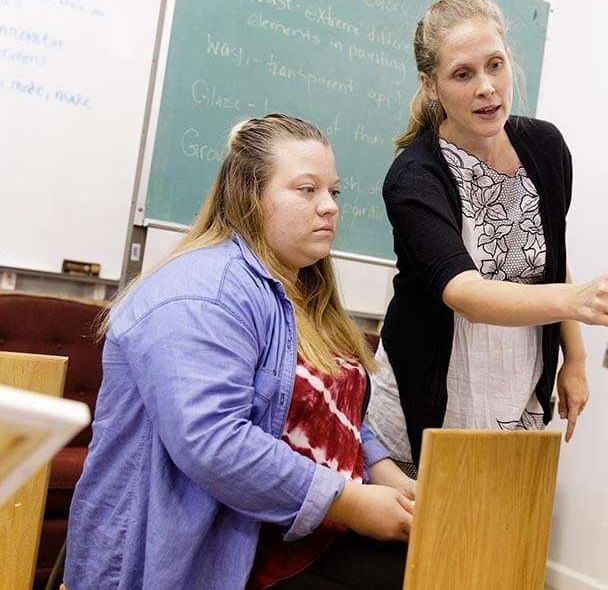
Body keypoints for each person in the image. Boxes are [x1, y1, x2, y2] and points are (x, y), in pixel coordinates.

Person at [64, 114, 415, 590]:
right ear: (251, 196)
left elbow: (332, 405)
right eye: (306, 190)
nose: (329, 207)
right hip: (203, 554)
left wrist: (385, 471)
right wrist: (350, 502)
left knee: (439, 563)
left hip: (286, 532)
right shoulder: (202, 294)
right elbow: (214, 441)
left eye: (334, 192)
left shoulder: (303, 289)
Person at [366, 0, 608, 474]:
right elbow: (464, 292)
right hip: (435, 393)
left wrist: (573, 358)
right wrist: (575, 301)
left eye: (495, 65)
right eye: (463, 74)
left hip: (517, 387)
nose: (487, 88)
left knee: (501, 531)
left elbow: (553, 255)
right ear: (431, 86)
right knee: (439, 537)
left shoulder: (546, 146)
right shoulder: (415, 176)